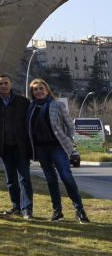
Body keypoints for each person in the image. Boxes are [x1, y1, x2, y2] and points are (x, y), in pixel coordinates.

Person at [26, 78, 89, 223]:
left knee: (66, 177)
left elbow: (69, 126)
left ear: (47, 90)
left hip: (57, 147)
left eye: (41, 88)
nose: (39, 91)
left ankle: (80, 211)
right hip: (41, 149)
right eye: (35, 89)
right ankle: (57, 212)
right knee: (51, 180)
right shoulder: (31, 107)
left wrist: (68, 141)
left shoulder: (57, 105)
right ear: (32, 92)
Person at [0, 73, 32, 218]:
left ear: (11, 84)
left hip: (21, 147)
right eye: (0, 83)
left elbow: (29, 126)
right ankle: (16, 207)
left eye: (5, 83)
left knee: (24, 179)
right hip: (4, 148)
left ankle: (27, 210)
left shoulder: (23, 102)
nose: (3, 85)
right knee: (11, 180)